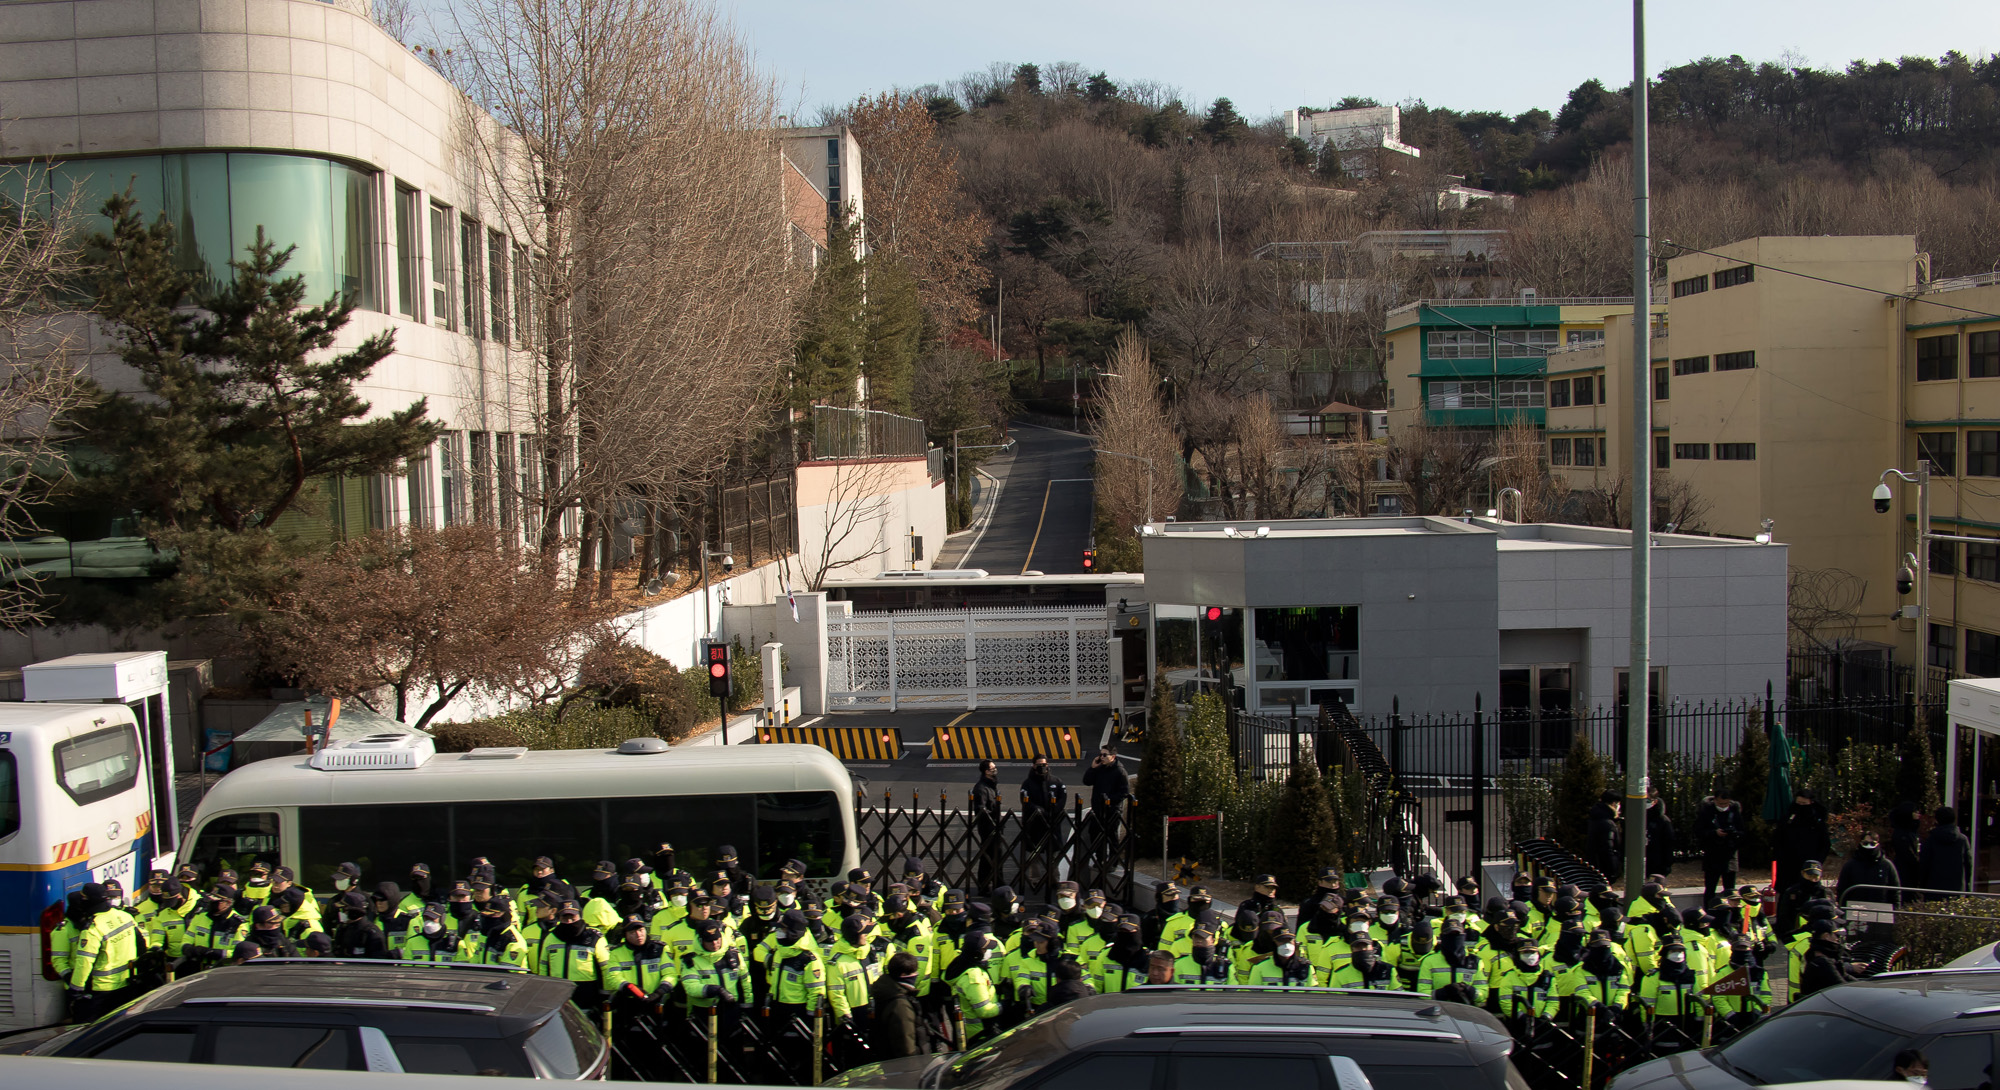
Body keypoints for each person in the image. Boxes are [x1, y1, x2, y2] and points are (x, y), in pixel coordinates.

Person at [68, 883, 141, 1022]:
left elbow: (84, 962)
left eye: (83, 898)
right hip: (127, 984)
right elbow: (141, 945)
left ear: (89, 901)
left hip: (103, 990)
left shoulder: (92, 929)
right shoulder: (124, 916)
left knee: (90, 1029)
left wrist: (76, 989)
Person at [868, 951, 926, 1058]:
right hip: (907, 1063)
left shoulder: (886, 990)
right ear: (903, 975)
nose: (916, 974)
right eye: (914, 972)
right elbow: (906, 1046)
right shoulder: (900, 1005)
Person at [1695, 785, 1746, 905]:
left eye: (1726, 804)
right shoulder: (1707, 811)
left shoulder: (1734, 811)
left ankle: (1731, 911)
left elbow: (1742, 831)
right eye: (1720, 803)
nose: (1723, 806)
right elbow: (1698, 831)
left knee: (1730, 889)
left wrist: (1734, 834)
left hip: (1730, 855)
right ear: (1715, 800)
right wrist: (1714, 833)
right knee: (1710, 887)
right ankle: (1709, 909)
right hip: (1712, 854)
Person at [1773, 790, 1832, 890]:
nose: (1800, 806)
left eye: (1804, 803)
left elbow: (1825, 844)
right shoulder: (1788, 818)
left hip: (1809, 864)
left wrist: (1817, 862)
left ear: (1811, 803)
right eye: (1798, 803)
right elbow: (1778, 838)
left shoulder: (1817, 820)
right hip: (1787, 864)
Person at [1081, 745, 1129, 863]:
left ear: (1113, 756)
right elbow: (1087, 781)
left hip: (1112, 810)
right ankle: (1100, 859)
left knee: (1111, 836)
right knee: (1095, 834)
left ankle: (1113, 861)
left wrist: (1109, 800)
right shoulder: (1099, 769)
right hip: (1098, 809)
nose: (1101, 757)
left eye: (1104, 755)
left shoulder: (1120, 771)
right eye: (1100, 755)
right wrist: (1092, 768)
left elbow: (1124, 792)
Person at [1020, 755, 1067, 854]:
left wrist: (1055, 810)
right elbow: (1025, 801)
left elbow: (1062, 798)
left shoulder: (1056, 781)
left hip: (1052, 822)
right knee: (1034, 856)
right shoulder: (1027, 784)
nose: (1042, 767)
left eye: (1044, 764)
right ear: (1034, 766)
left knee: (1053, 855)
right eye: (1039, 765)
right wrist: (1037, 810)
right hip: (1035, 823)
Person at [1922, 807, 1974, 896]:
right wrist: (1967, 885)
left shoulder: (1930, 840)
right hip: (1957, 889)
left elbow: (1924, 864)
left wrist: (1923, 885)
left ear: (1937, 820)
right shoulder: (1962, 840)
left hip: (1934, 888)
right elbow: (1968, 864)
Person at [1837, 835, 1902, 905]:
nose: (1869, 846)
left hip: (1881, 908)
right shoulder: (1850, 865)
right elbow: (1842, 889)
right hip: (1855, 907)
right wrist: (1842, 907)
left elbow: (1895, 890)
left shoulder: (1887, 865)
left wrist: (1896, 907)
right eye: (1865, 843)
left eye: (1872, 844)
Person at [972, 760, 1004, 889]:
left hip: (995, 826)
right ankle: (985, 885)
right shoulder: (981, 788)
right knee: (988, 857)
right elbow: (981, 810)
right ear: (986, 771)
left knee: (997, 855)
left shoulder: (991, 785)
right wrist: (993, 817)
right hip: (988, 828)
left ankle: (997, 882)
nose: (995, 770)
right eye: (992, 768)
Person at [1587, 791, 1623, 881]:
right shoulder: (1608, 824)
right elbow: (1608, 849)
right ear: (1614, 804)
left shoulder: (1596, 817)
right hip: (1605, 869)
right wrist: (1613, 870)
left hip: (1595, 865)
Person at [1645, 786, 1677, 881]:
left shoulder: (1663, 821)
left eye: (1647, 800)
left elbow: (1669, 843)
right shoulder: (1635, 817)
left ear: (1655, 801)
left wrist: (1666, 865)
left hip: (1657, 863)